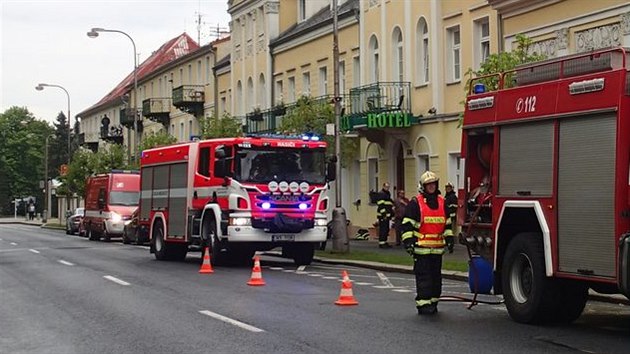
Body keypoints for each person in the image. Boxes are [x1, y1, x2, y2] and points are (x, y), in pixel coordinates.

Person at [401, 171, 449, 315]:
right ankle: (423, 304)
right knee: (424, 279)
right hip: (421, 250)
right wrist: (409, 242)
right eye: (429, 185)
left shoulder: (442, 202)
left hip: (437, 250)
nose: (431, 187)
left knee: (436, 279)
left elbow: (447, 224)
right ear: (423, 186)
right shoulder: (416, 203)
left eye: (433, 184)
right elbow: (407, 225)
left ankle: (433, 302)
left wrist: (450, 239)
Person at [375, 182, 394, 248]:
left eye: (388, 187)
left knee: (386, 229)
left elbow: (389, 203)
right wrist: (384, 214)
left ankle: (385, 242)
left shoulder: (387, 194)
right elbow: (381, 206)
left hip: (387, 216)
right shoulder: (381, 194)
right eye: (386, 187)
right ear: (383, 187)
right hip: (383, 216)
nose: (387, 188)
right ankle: (381, 243)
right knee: (383, 229)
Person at [443, 182, 458, 254]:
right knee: (446, 230)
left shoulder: (453, 196)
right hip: (446, 216)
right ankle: (447, 242)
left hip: (451, 216)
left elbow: (455, 206)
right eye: (446, 187)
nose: (447, 189)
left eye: (449, 188)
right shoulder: (446, 196)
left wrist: (448, 208)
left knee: (450, 231)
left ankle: (450, 243)